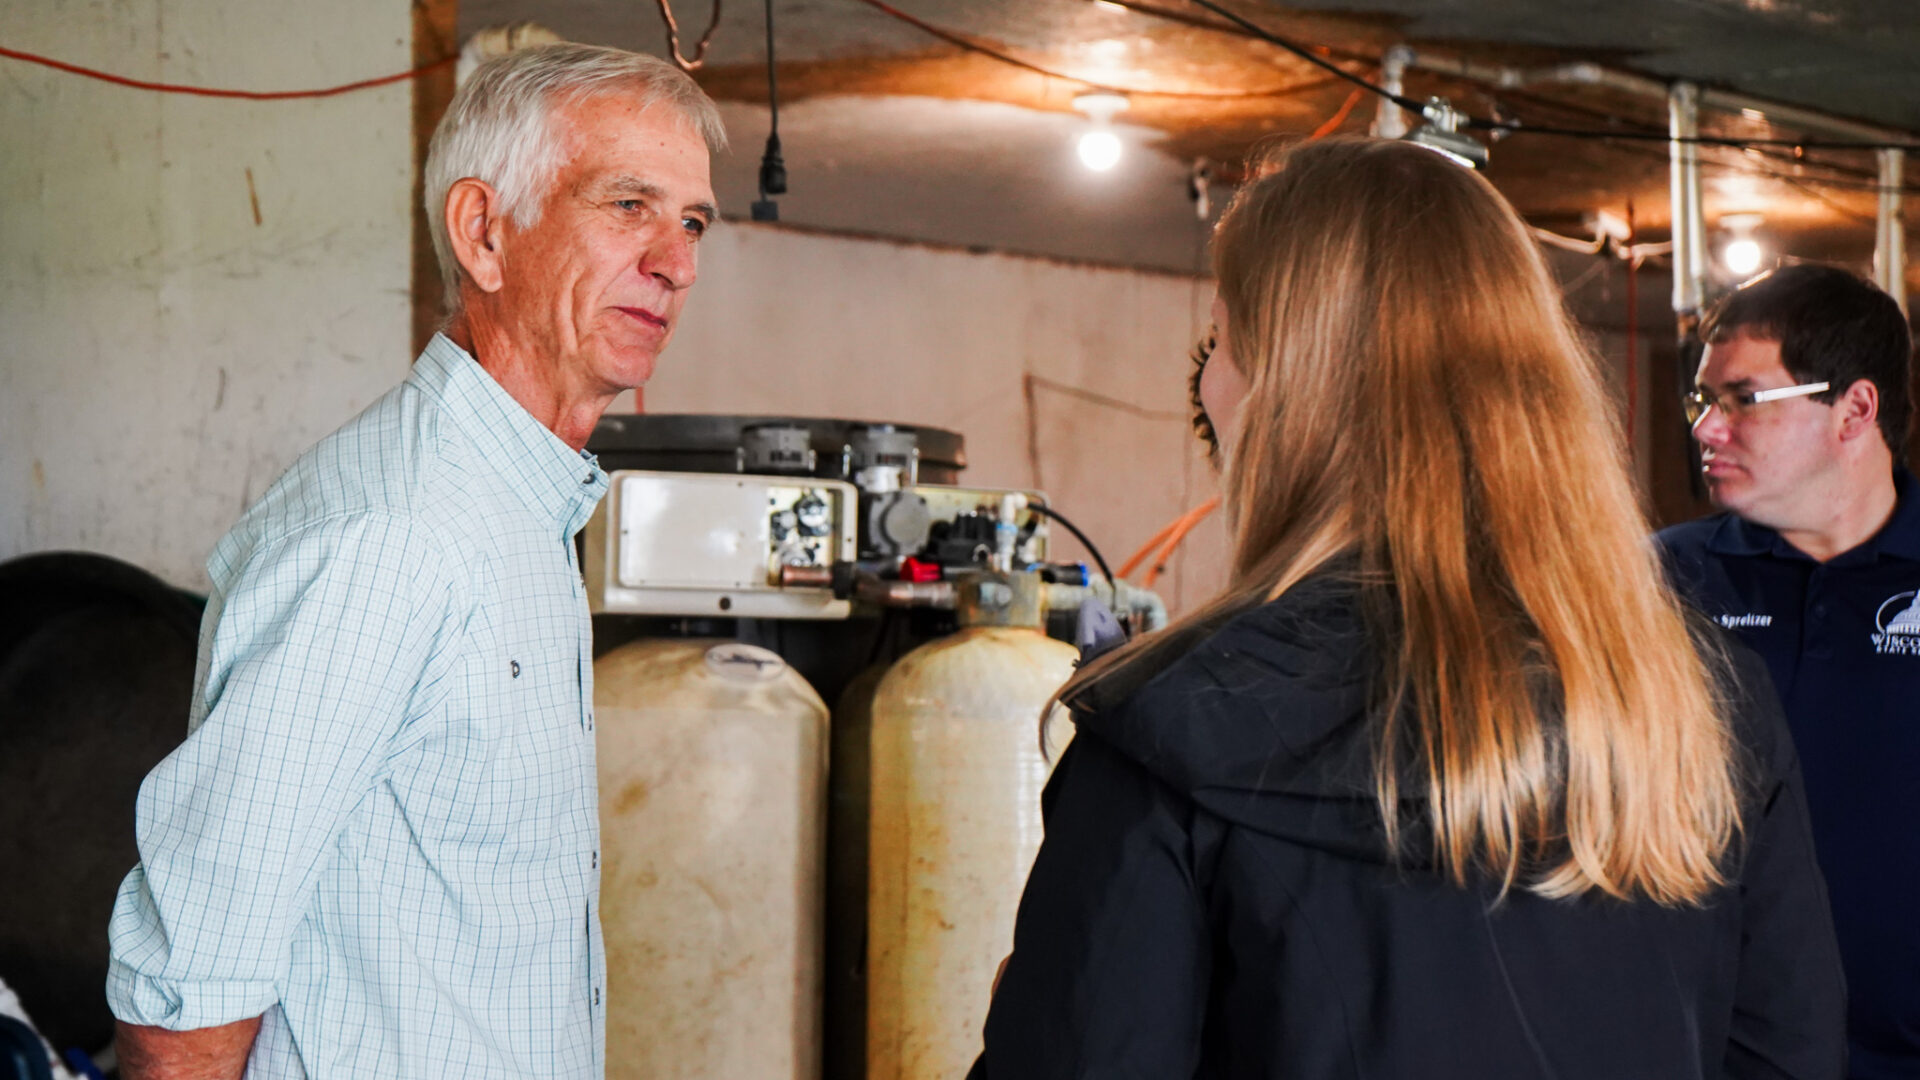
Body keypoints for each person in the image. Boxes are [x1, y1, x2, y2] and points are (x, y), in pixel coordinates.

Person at [970, 137, 1845, 1079]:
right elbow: (1786, 1057)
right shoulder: (1705, 707)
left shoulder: (1165, 731)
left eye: (1218, 339)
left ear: (1285, 389)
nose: (1208, 379)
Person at [103, 44, 724, 1079]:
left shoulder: (521, 511)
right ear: (484, 232)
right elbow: (192, 987)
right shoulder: (391, 537)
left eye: (693, 222)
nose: (677, 263)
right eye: (629, 206)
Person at [1659, 264, 1918, 1079]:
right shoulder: (1659, 585)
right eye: (1703, 401)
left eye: (1743, 399)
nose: (1707, 428)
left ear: (1855, 410)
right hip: (1722, 1056)